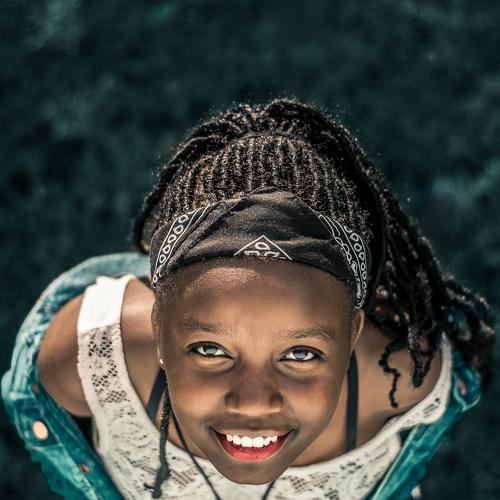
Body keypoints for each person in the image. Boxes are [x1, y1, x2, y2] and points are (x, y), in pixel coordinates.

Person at [2, 98, 495, 500]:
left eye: (300, 353)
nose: (254, 401)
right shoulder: (90, 360)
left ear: (352, 334)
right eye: (210, 349)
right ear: (156, 325)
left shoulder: (405, 380)